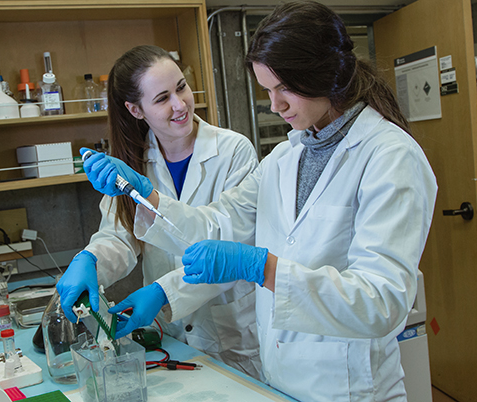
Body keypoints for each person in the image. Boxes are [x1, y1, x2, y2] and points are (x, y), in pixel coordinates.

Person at [79, 2, 438, 401]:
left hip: (350, 388)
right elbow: (213, 226)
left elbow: (382, 301)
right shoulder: (286, 158)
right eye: (268, 90)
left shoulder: (390, 156)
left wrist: (261, 267)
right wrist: (147, 196)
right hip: (279, 382)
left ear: (326, 75)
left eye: (284, 88)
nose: (275, 105)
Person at [56, 45, 263, 378]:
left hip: (233, 337)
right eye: (162, 98)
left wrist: (164, 292)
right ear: (136, 110)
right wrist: (92, 260)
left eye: (181, 87)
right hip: (172, 337)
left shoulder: (233, 151)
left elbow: (227, 241)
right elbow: (119, 235)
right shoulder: (131, 161)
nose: (180, 104)